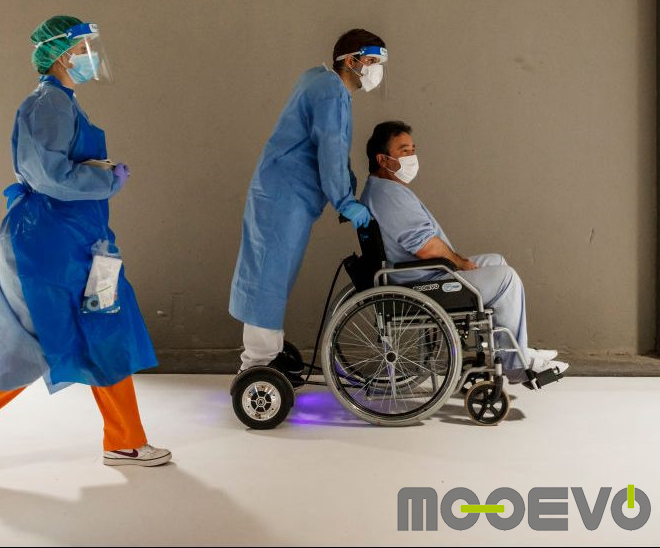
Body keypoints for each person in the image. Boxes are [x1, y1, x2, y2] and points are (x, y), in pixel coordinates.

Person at [0, 15, 170, 482]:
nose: (91, 56)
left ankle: (125, 440)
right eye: (83, 48)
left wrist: (100, 176)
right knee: (25, 350)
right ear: (62, 55)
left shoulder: (64, 103)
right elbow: (47, 175)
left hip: (82, 239)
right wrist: (106, 179)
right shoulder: (47, 103)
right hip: (47, 246)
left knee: (105, 327)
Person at [229, 29, 387, 384]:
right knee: (268, 277)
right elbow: (329, 150)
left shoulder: (323, 83)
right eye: (372, 61)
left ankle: (266, 353)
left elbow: (335, 149)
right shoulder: (330, 92)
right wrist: (345, 200)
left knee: (271, 275)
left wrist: (347, 190)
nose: (376, 70)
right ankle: (255, 363)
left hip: (284, 195)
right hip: (283, 197)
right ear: (351, 61)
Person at [359, 120, 569, 383]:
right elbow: (425, 247)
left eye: (413, 150)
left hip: (425, 273)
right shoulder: (388, 195)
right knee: (506, 278)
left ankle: (515, 348)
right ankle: (516, 364)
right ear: (382, 159)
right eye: (404, 151)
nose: (412, 157)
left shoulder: (383, 189)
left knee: (497, 261)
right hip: (422, 281)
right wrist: (459, 262)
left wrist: (458, 262)